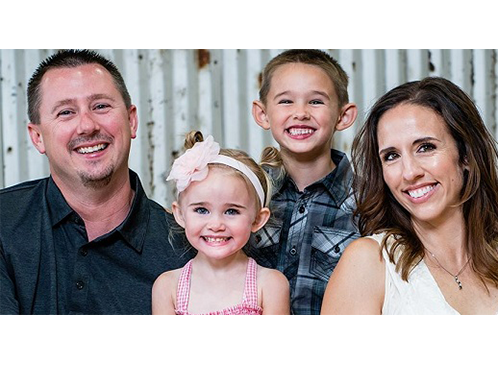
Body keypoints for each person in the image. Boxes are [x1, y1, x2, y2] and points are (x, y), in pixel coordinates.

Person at [321, 77, 498, 315]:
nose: (409, 173)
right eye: (391, 156)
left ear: (466, 156)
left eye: (426, 147)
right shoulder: (368, 263)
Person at [0, 49, 195, 314]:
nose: (87, 126)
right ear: (37, 137)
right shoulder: (4, 223)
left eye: (101, 106)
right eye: (66, 112)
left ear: (131, 120)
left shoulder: (189, 248)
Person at [247, 49, 360, 314]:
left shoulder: (370, 201)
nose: (300, 113)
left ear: (344, 116)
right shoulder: (245, 192)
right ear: (262, 114)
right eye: (286, 101)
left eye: (316, 102)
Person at [152, 131, 289, 315]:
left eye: (231, 211)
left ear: (257, 219)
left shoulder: (270, 284)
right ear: (180, 215)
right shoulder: (168, 287)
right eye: (201, 210)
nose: (216, 225)